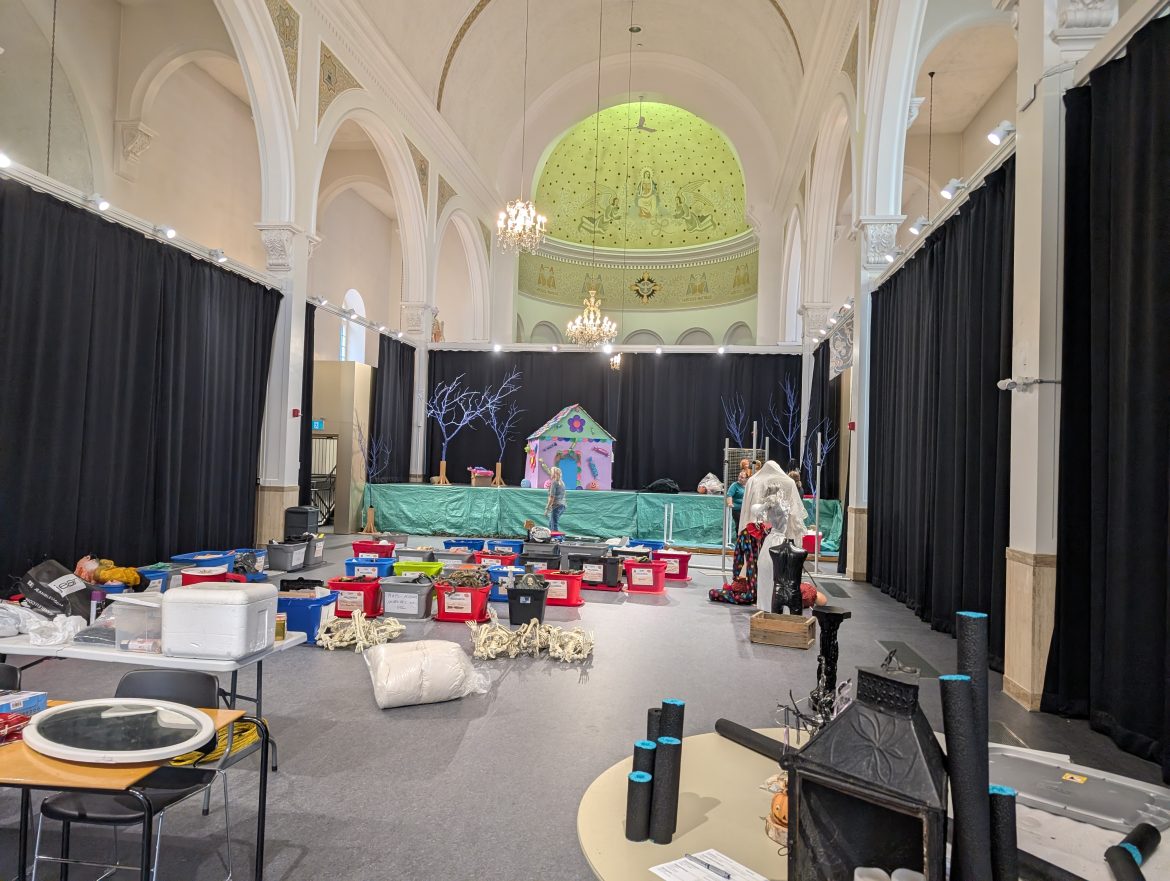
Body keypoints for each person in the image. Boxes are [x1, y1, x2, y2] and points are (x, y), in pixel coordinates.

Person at [545, 466, 566, 533]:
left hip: (556, 506)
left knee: (553, 524)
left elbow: (552, 497)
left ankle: (556, 537)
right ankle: (553, 536)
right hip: (562, 505)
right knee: (551, 523)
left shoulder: (554, 482)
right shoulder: (562, 483)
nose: (550, 473)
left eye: (551, 472)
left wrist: (547, 508)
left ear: (553, 474)